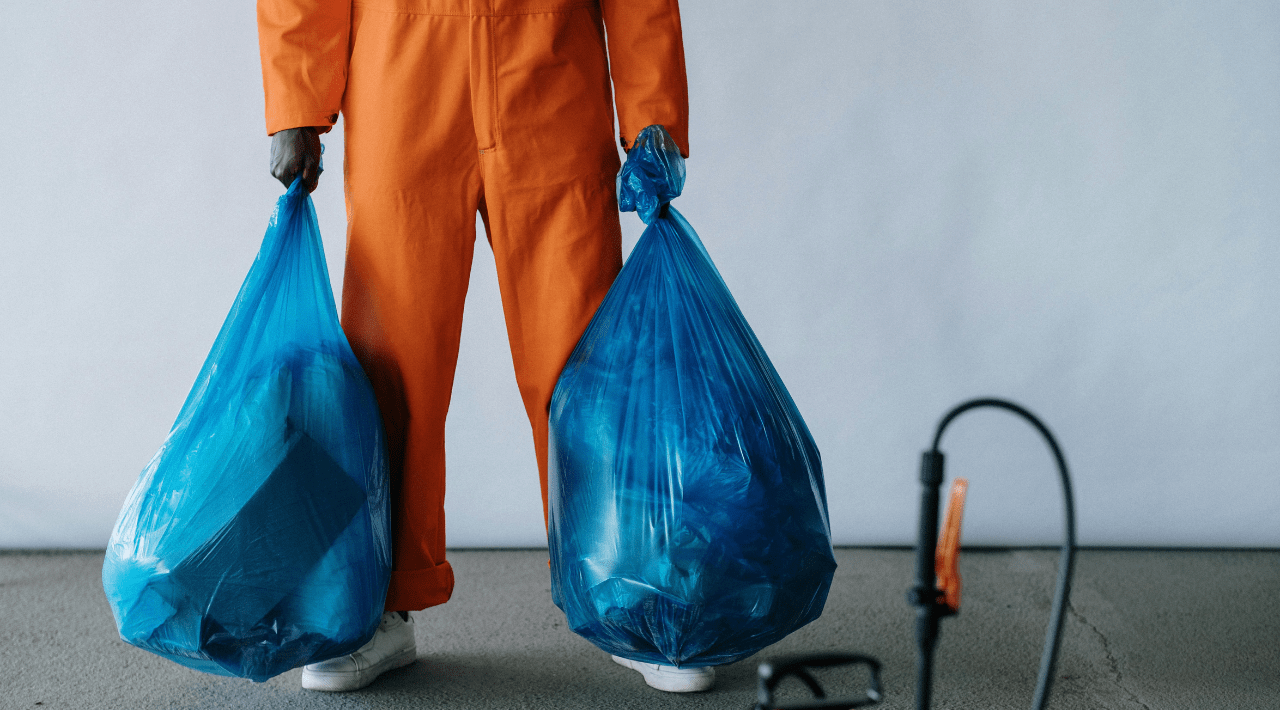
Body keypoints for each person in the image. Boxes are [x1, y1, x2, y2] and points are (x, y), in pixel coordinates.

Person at [256, 0, 709, 694]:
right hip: (401, 68)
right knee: (390, 361)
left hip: (549, 65)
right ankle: (380, 601)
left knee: (584, 356)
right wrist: (295, 99)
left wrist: (652, 107)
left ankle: (634, 593)